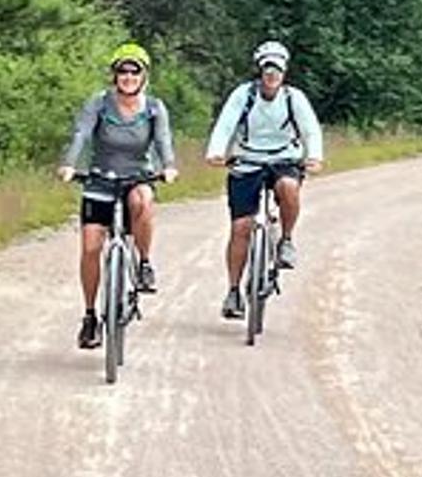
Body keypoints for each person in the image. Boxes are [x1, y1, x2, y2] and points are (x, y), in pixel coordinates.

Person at [58, 43, 178, 349]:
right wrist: (70, 163)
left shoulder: (153, 108)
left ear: (144, 76)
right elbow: (81, 134)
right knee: (90, 247)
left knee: (142, 201)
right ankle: (89, 316)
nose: (127, 76)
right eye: (122, 71)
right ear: (114, 75)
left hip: (138, 176)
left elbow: (163, 140)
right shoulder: (98, 104)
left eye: (134, 71)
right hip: (100, 178)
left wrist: (169, 166)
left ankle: (144, 263)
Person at [204, 40, 323, 320]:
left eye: (277, 71)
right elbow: (225, 125)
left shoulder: (294, 98)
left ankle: (286, 240)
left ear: (284, 73)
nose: (272, 76)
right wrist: (216, 152)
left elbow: (310, 130)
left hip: (284, 159)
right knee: (241, 227)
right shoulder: (243, 96)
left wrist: (314, 156)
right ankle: (233, 291)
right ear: (260, 71)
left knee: (288, 187)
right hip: (246, 160)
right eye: (267, 70)